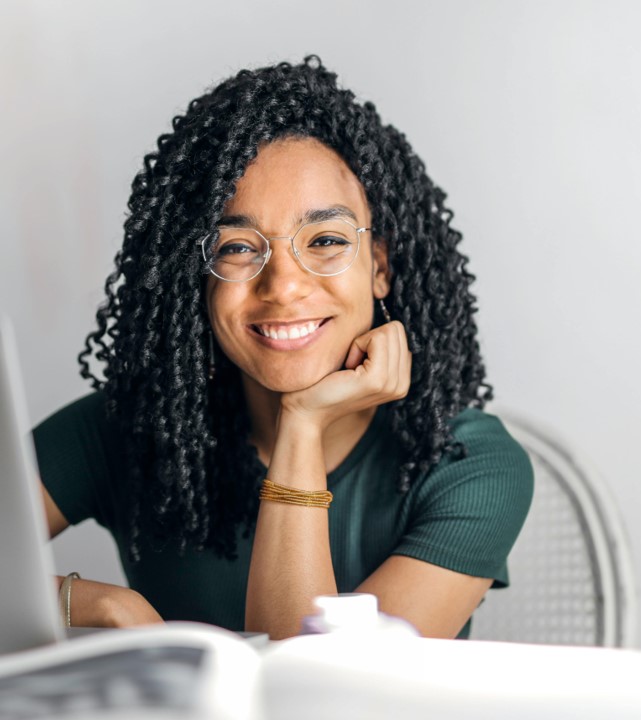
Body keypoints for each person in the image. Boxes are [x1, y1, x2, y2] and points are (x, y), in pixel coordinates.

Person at [32, 56, 533, 640]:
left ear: (380, 267)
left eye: (324, 240)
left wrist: (302, 423)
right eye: (238, 248)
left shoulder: (468, 464)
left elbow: (317, 693)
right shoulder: (128, 428)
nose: (285, 285)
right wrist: (95, 604)